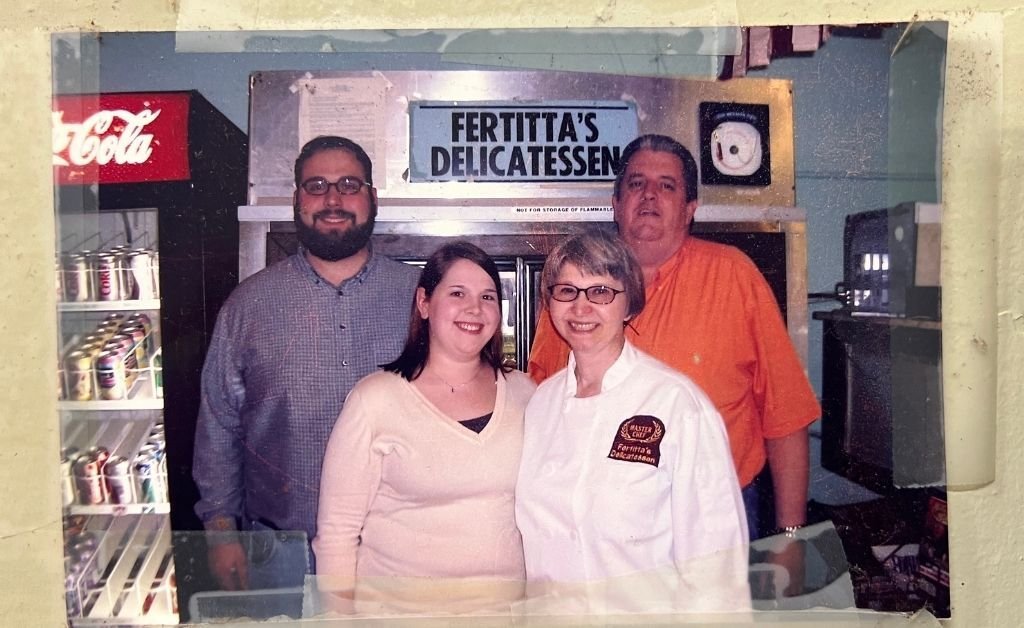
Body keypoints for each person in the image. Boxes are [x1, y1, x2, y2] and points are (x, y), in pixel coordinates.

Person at [527, 134, 821, 540]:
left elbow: (785, 414)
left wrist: (791, 536)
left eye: (666, 186)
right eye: (635, 183)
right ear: (616, 204)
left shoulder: (734, 276)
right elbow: (541, 403)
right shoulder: (573, 292)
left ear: (690, 209)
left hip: (718, 512)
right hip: (598, 520)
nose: (649, 195)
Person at [192, 136, 421, 610]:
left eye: (348, 185)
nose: (333, 200)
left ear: (372, 197)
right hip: (280, 554)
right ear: (297, 200)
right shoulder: (248, 305)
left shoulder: (421, 298)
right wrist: (220, 533)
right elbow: (218, 425)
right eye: (316, 186)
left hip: (399, 552)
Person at [515, 229, 750, 614]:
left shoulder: (676, 403)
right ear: (550, 302)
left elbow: (717, 572)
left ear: (629, 304)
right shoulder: (540, 404)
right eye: (567, 291)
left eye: (601, 292)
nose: (581, 307)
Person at [313, 241, 536, 615]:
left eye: (488, 296)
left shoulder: (525, 393)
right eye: (457, 293)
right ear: (424, 303)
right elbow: (337, 536)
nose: (474, 309)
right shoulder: (375, 399)